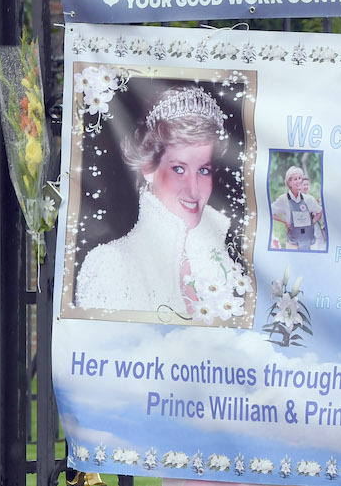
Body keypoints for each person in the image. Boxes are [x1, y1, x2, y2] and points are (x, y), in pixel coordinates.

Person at [75, 85, 244, 317]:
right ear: (148, 168)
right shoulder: (109, 264)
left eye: (204, 171)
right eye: (178, 169)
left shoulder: (222, 262)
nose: (194, 190)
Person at [271, 165, 326, 251]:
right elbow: (269, 212)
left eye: (300, 178)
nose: (299, 181)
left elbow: (319, 211)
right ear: (289, 182)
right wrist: (285, 222)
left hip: (310, 241)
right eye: (295, 179)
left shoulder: (309, 199)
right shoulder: (283, 199)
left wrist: (313, 222)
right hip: (292, 243)